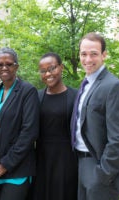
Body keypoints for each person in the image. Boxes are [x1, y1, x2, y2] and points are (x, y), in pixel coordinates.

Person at [71, 32, 119, 200]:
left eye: (94, 54)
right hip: (81, 162)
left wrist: (103, 173)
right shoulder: (86, 84)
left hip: (98, 167)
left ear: (104, 55)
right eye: (83, 54)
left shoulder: (114, 86)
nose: (87, 59)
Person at [0, 47, 39, 200]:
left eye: (9, 64)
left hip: (16, 168)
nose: (4, 68)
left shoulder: (27, 91)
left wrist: (6, 164)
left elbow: (29, 132)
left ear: (16, 66)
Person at [32, 52, 78, 200]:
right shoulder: (36, 97)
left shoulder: (76, 96)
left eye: (52, 68)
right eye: (43, 71)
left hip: (67, 160)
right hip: (41, 159)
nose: (47, 74)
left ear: (61, 68)